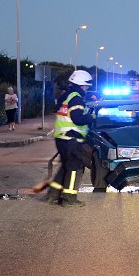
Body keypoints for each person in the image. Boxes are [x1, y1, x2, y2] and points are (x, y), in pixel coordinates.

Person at [46, 70, 95, 207]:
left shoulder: (66, 96)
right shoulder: (76, 98)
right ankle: (69, 199)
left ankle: (53, 195)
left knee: (65, 167)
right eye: (86, 86)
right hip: (71, 138)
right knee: (75, 168)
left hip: (61, 138)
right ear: (81, 85)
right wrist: (92, 117)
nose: (87, 88)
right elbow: (78, 119)